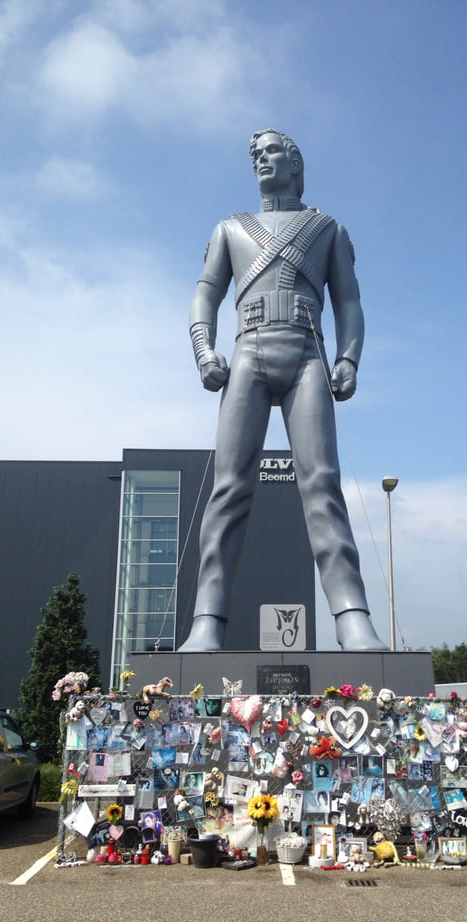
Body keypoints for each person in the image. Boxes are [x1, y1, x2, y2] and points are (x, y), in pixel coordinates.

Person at [178, 129, 388, 653]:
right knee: (229, 489)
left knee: (321, 484)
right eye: (254, 155)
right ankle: (206, 620)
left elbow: (350, 303)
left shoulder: (327, 228)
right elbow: (205, 294)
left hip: (307, 353)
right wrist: (204, 350)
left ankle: (352, 616)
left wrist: (349, 357)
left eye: (271, 151)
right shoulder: (229, 228)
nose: (260, 160)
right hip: (247, 350)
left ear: (295, 161)